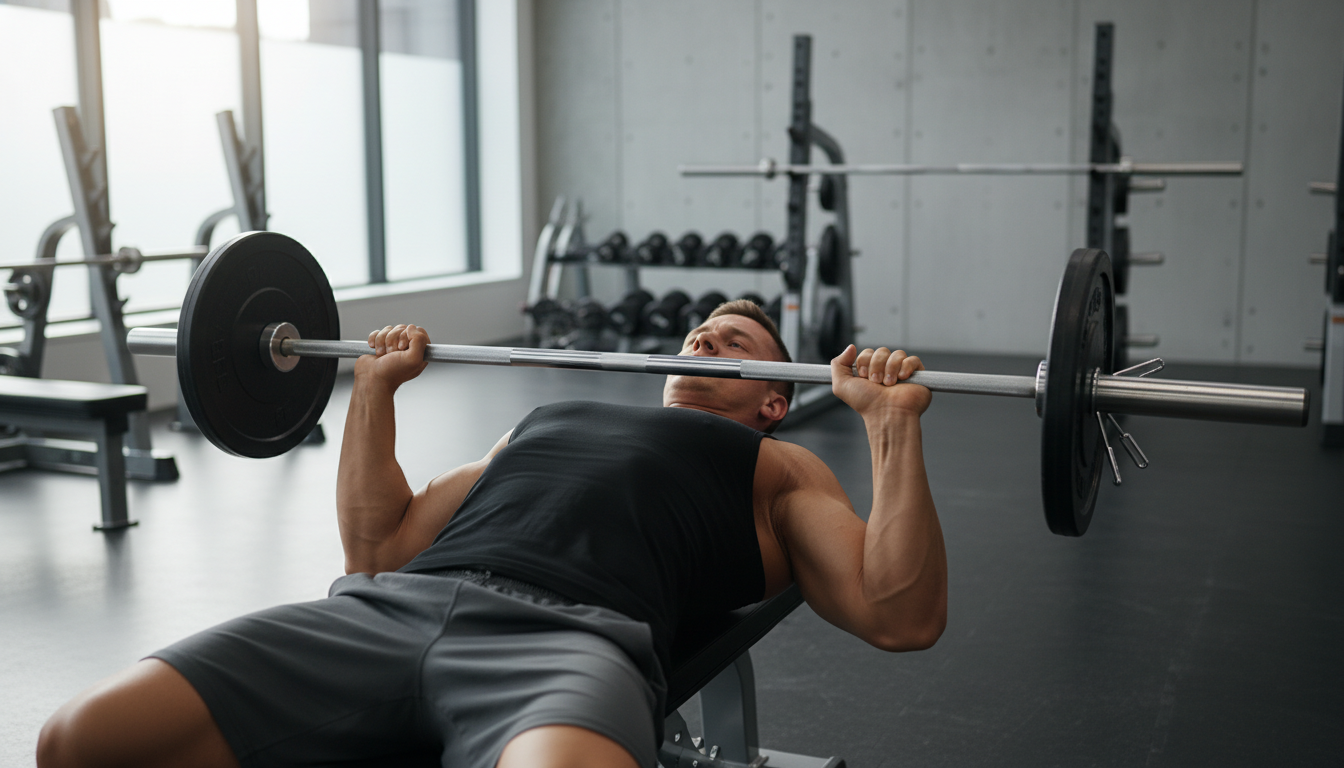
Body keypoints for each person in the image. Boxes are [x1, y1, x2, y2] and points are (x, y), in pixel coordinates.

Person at [37, 300, 947, 768]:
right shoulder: (549, 418)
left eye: (732, 340)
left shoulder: (777, 467)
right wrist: (375, 391)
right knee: (80, 742)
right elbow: (379, 548)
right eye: (698, 332)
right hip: (391, 612)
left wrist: (891, 423)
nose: (703, 340)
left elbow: (899, 614)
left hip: (569, 646)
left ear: (774, 398)